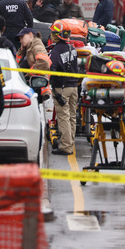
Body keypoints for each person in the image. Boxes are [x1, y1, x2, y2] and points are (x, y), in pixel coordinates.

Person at [47, 21, 79, 156]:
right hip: (74, 87)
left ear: (56, 35)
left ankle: (66, 146)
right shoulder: (72, 48)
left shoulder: (56, 51)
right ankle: (70, 142)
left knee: (63, 117)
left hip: (62, 89)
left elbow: (51, 69)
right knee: (72, 116)